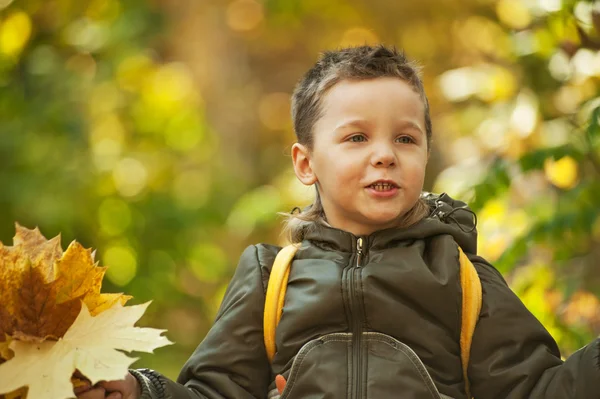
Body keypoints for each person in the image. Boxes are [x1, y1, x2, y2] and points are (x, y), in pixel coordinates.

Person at [76, 45, 600, 399]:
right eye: (356, 138)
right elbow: (216, 394)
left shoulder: (462, 279)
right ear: (306, 164)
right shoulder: (270, 279)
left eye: (405, 138)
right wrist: (141, 390)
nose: (384, 155)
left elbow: (537, 391)